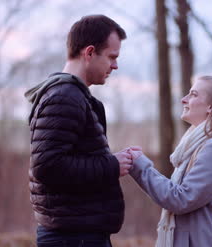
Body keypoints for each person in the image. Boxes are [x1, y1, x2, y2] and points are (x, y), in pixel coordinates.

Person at [24, 15, 134, 247]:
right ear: (90, 52)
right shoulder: (65, 97)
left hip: (78, 234)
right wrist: (112, 165)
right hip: (72, 238)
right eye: (112, 57)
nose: (115, 65)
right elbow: (48, 166)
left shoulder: (72, 96)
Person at [128, 75, 212, 247]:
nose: (184, 99)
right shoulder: (198, 146)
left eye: (193, 94)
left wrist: (140, 166)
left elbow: (181, 199)